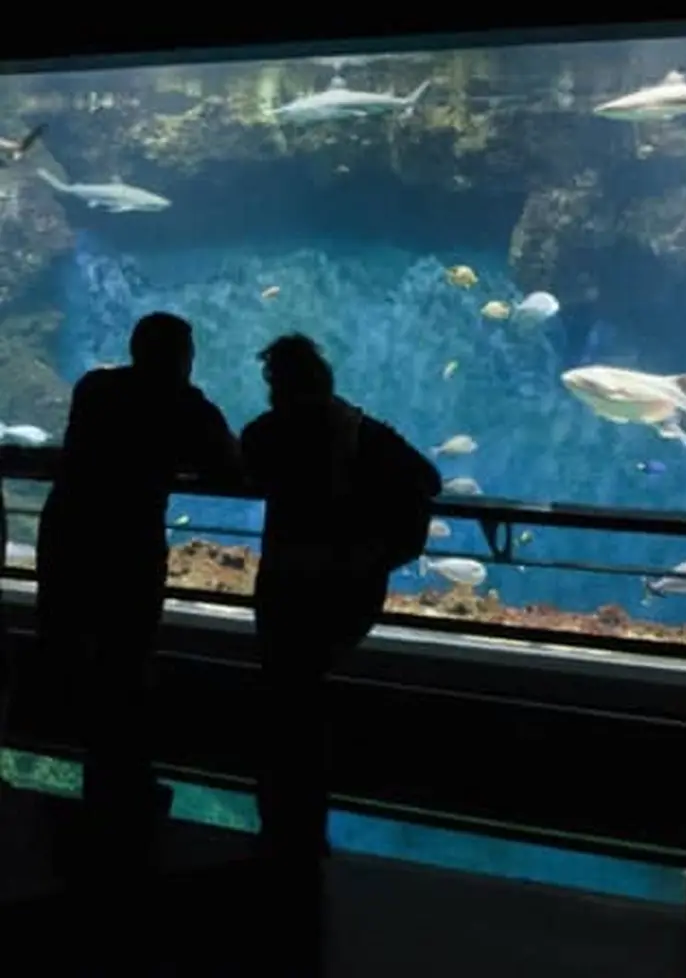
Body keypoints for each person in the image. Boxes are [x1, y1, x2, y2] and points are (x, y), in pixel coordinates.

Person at [34, 312, 240, 857]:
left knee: (72, 656)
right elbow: (227, 463)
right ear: (182, 357)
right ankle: (119, 798)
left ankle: (90, 793)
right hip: (124, 550)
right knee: (123, 665)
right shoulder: (184, 405)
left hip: (66, 539)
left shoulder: (96, 386)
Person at [241, 334, 441, 865]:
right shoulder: (362, 431)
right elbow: (429, 478)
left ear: (276, 386)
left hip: (286, 588)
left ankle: (283, 831)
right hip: (345, 591)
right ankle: (307, 831)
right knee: (308, 700)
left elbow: (241, 461)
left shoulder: (270, 432)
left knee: (283, 704)